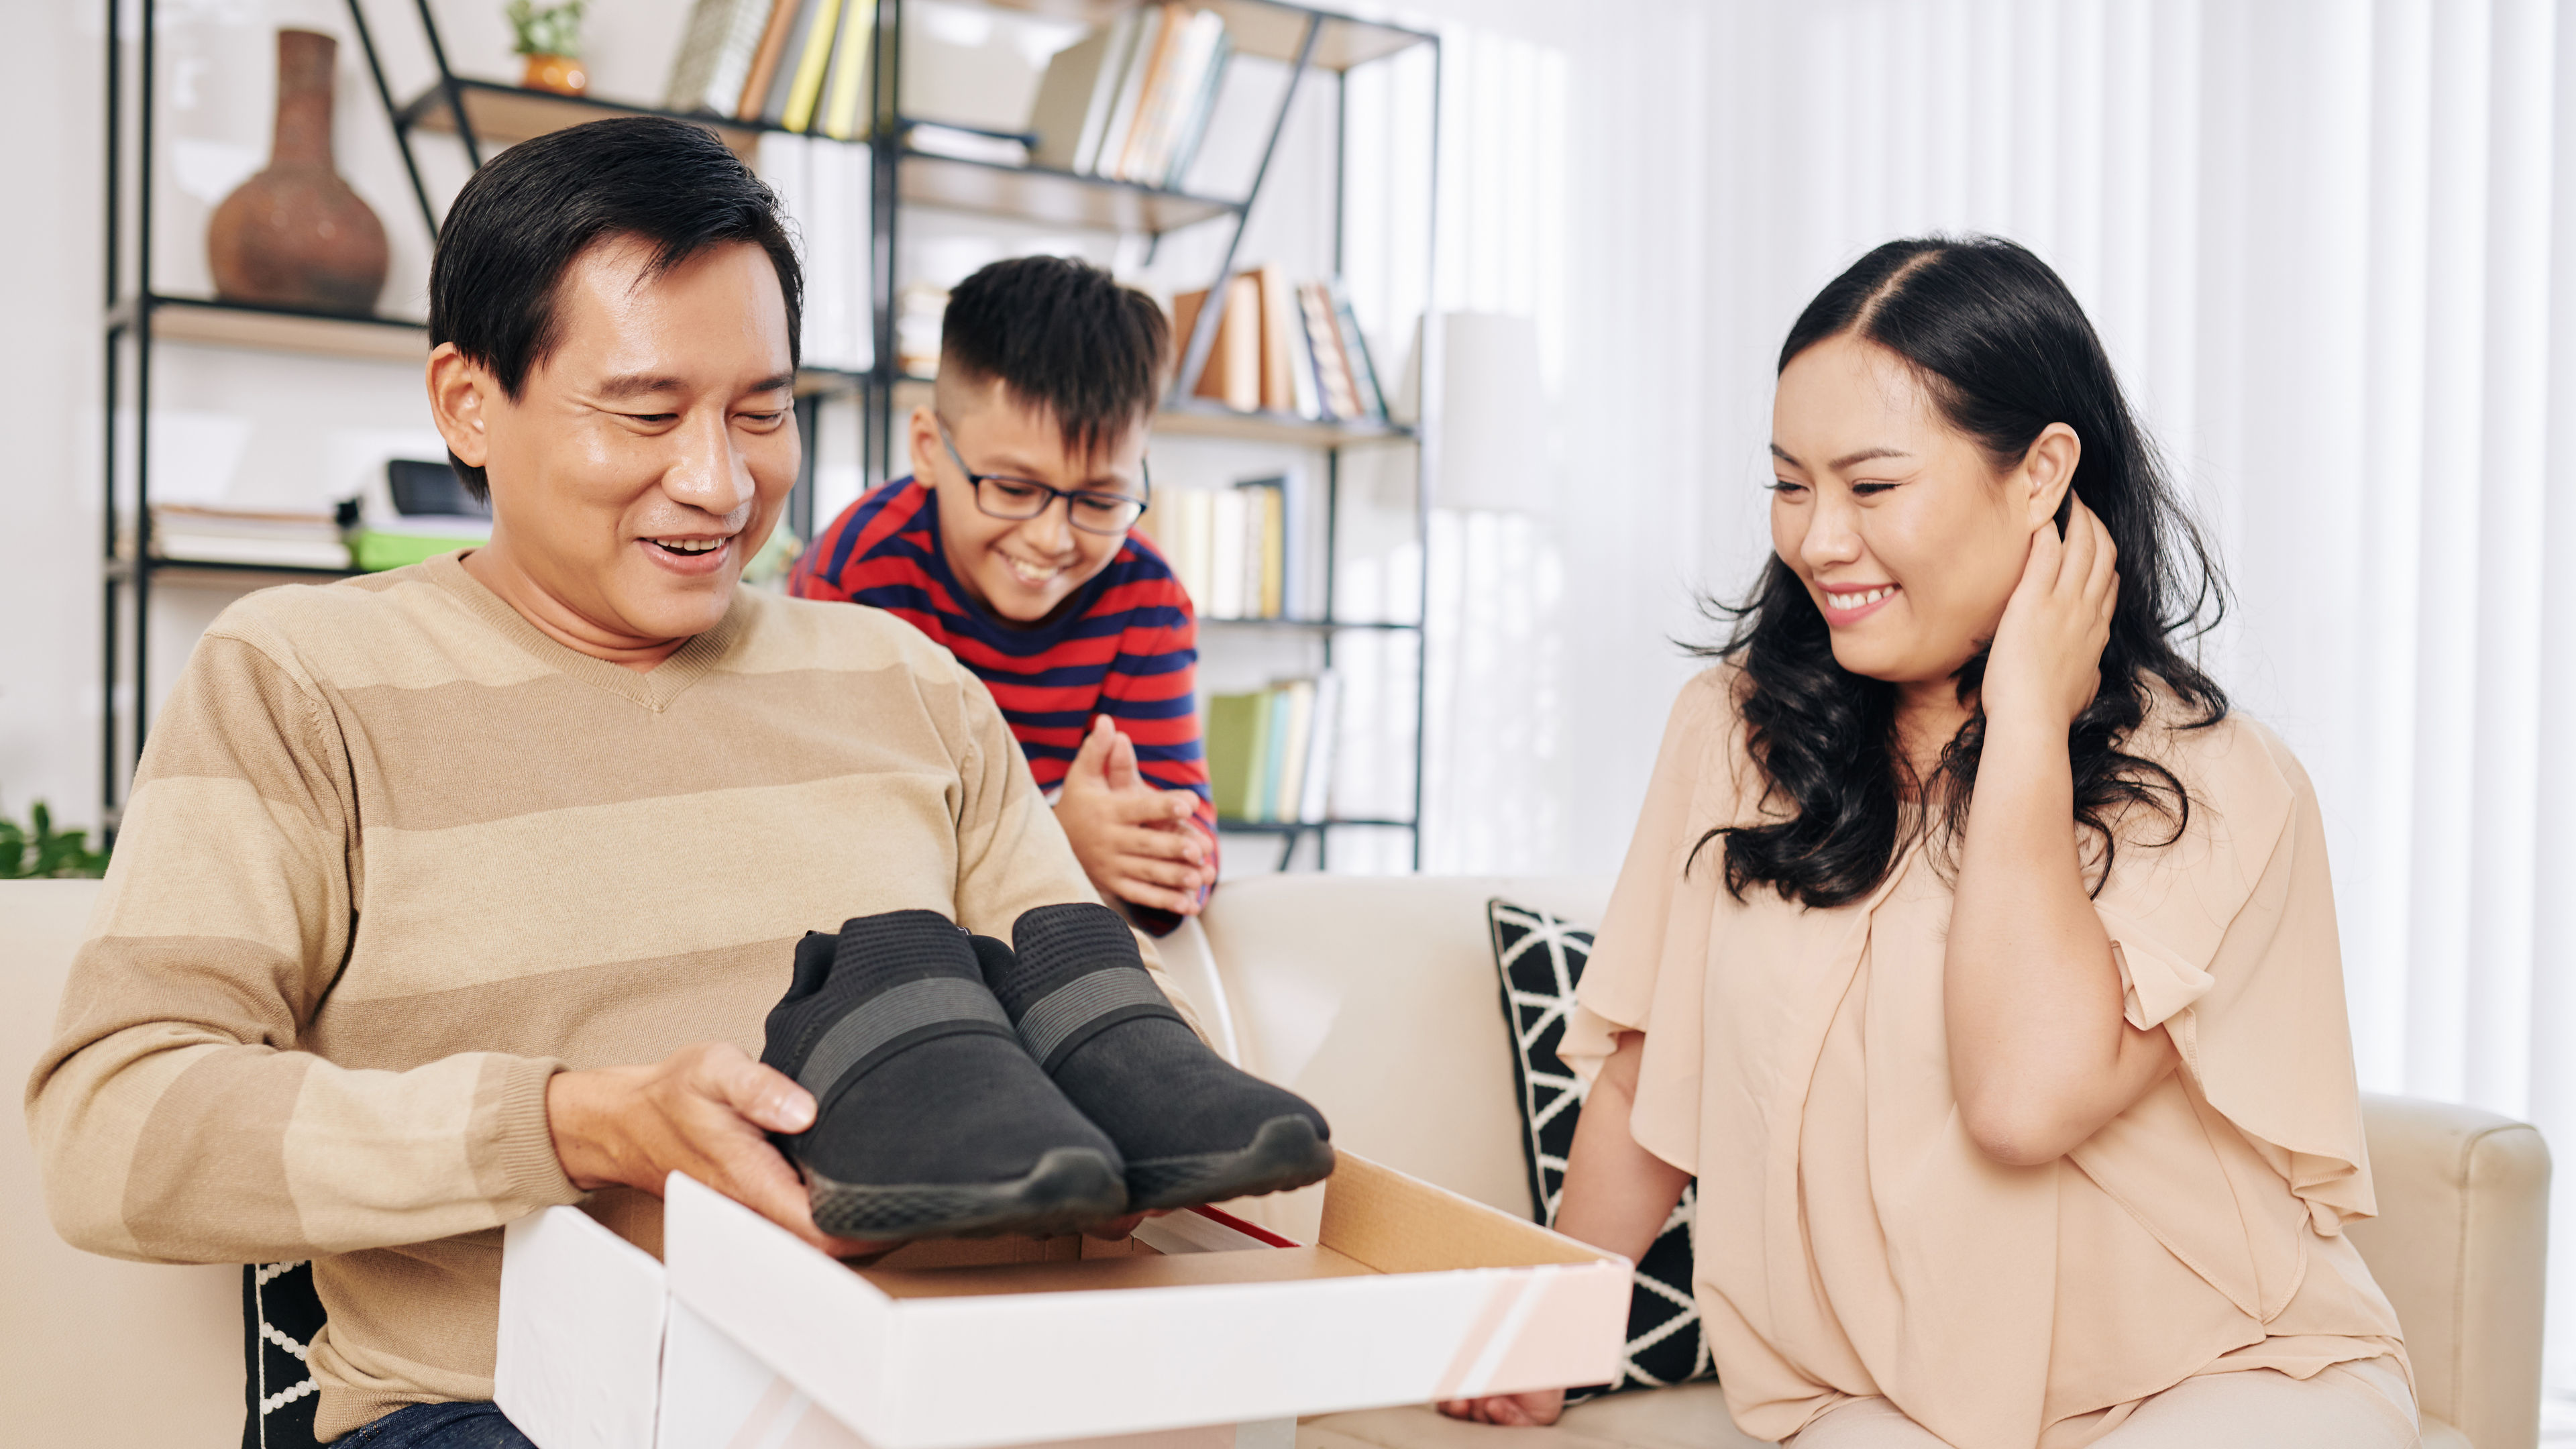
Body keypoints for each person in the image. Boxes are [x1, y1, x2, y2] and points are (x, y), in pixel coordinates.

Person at [26, 117, 1192, 1448]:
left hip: (928, 1388)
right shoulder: (300, 681)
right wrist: (578, 1125)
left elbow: (1124, 1042)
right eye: (645, 412)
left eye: (763, 413)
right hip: (520, 1411)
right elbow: (110, 1130)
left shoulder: (908, 678)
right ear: (469, 403)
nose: (717, 481)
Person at [1444, 238, 2417, 1448]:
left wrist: (2024, 732)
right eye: (1791, 484)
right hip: (1872, 1404)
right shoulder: (1732, 734)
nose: (1818, 541)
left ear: (2043, 474)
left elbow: (2021, 1100)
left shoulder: (2217, 782)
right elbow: (1651, 1069)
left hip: (2219, 1379)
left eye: (1872, 485)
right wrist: (1551, 1338)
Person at [788, 256, 1218, 934]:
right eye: (1014, 490)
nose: (1051, 538)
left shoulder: (1148, 598)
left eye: (1102, 499)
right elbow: (841, 840)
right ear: (929, 448)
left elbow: (1182, 863)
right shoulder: (860, 572)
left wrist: (1143, 852)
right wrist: (1057, 839)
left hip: (1061, 933)